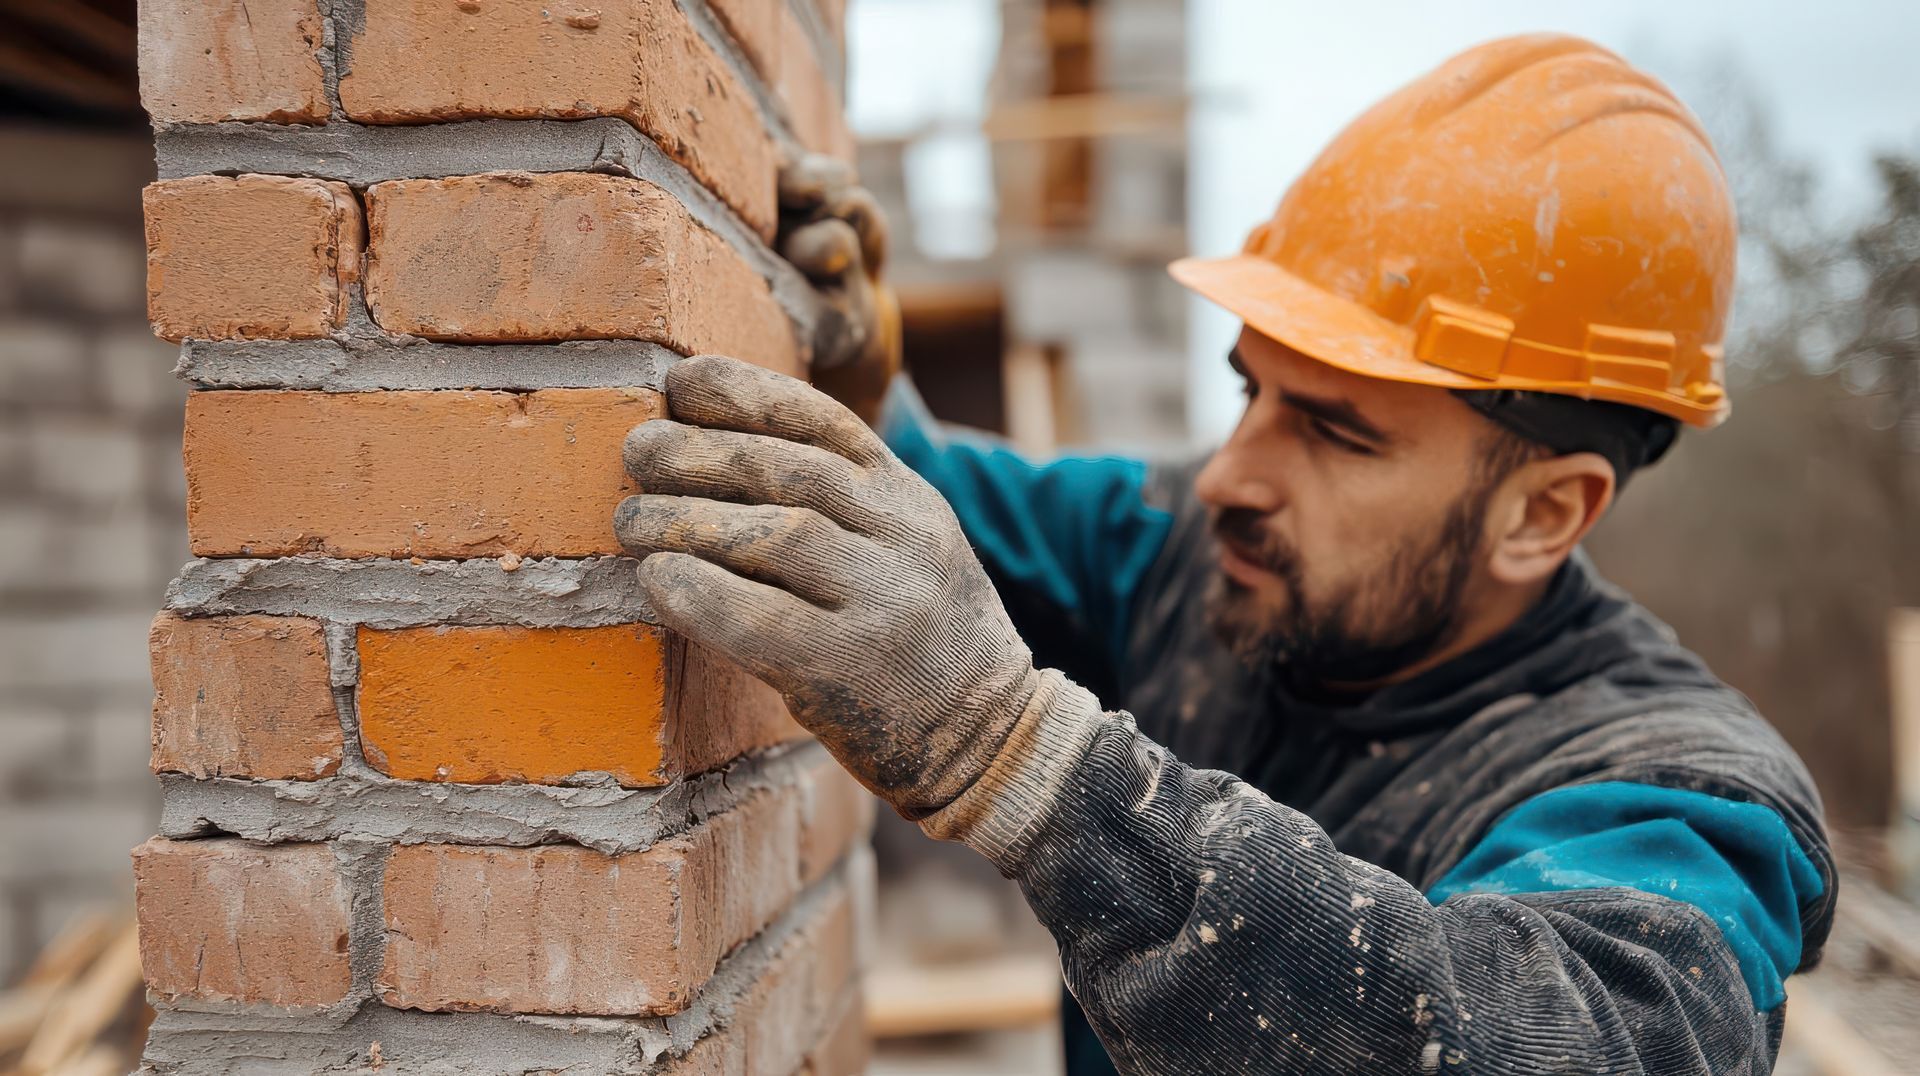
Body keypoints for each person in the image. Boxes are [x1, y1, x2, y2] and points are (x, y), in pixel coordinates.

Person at [612, 34, 1834, 1074]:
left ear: (1544, 512)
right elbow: (966, 530)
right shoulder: (1206, 557)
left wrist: (1020, 759)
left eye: (1335, 431)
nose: (1229, 474)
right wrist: (872, 402)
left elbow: (1517, 1038)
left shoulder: (1679, 804)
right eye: (1253, 390)